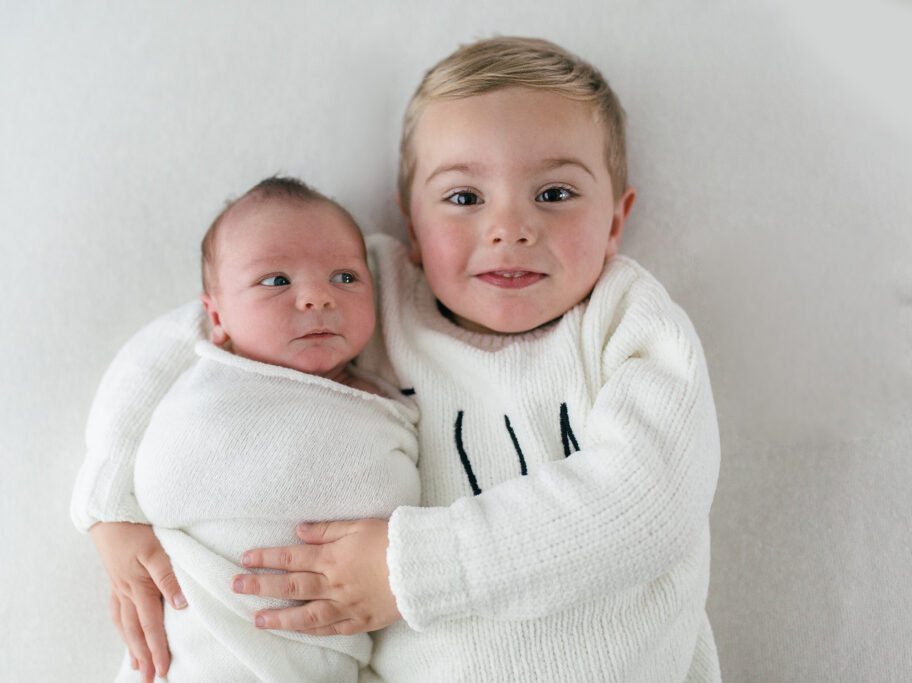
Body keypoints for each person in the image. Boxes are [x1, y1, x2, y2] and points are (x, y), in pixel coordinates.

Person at [74, 36, 721, 682]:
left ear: (615, 220)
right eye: (464, 198)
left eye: (554, 194)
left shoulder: (628, 320)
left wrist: (406, 565)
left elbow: (648, 500)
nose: (510, 228)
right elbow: (187, 334)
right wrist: (112, 503)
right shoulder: (366, 292)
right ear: (411, 226)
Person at [74, 177, 420, 682]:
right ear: (215, 314)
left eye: (345, 277)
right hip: (195, 639)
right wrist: (108, 513)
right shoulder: (209, 373)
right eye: (277, 281)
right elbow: (133, 382)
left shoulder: (383, 399)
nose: (317, 298)